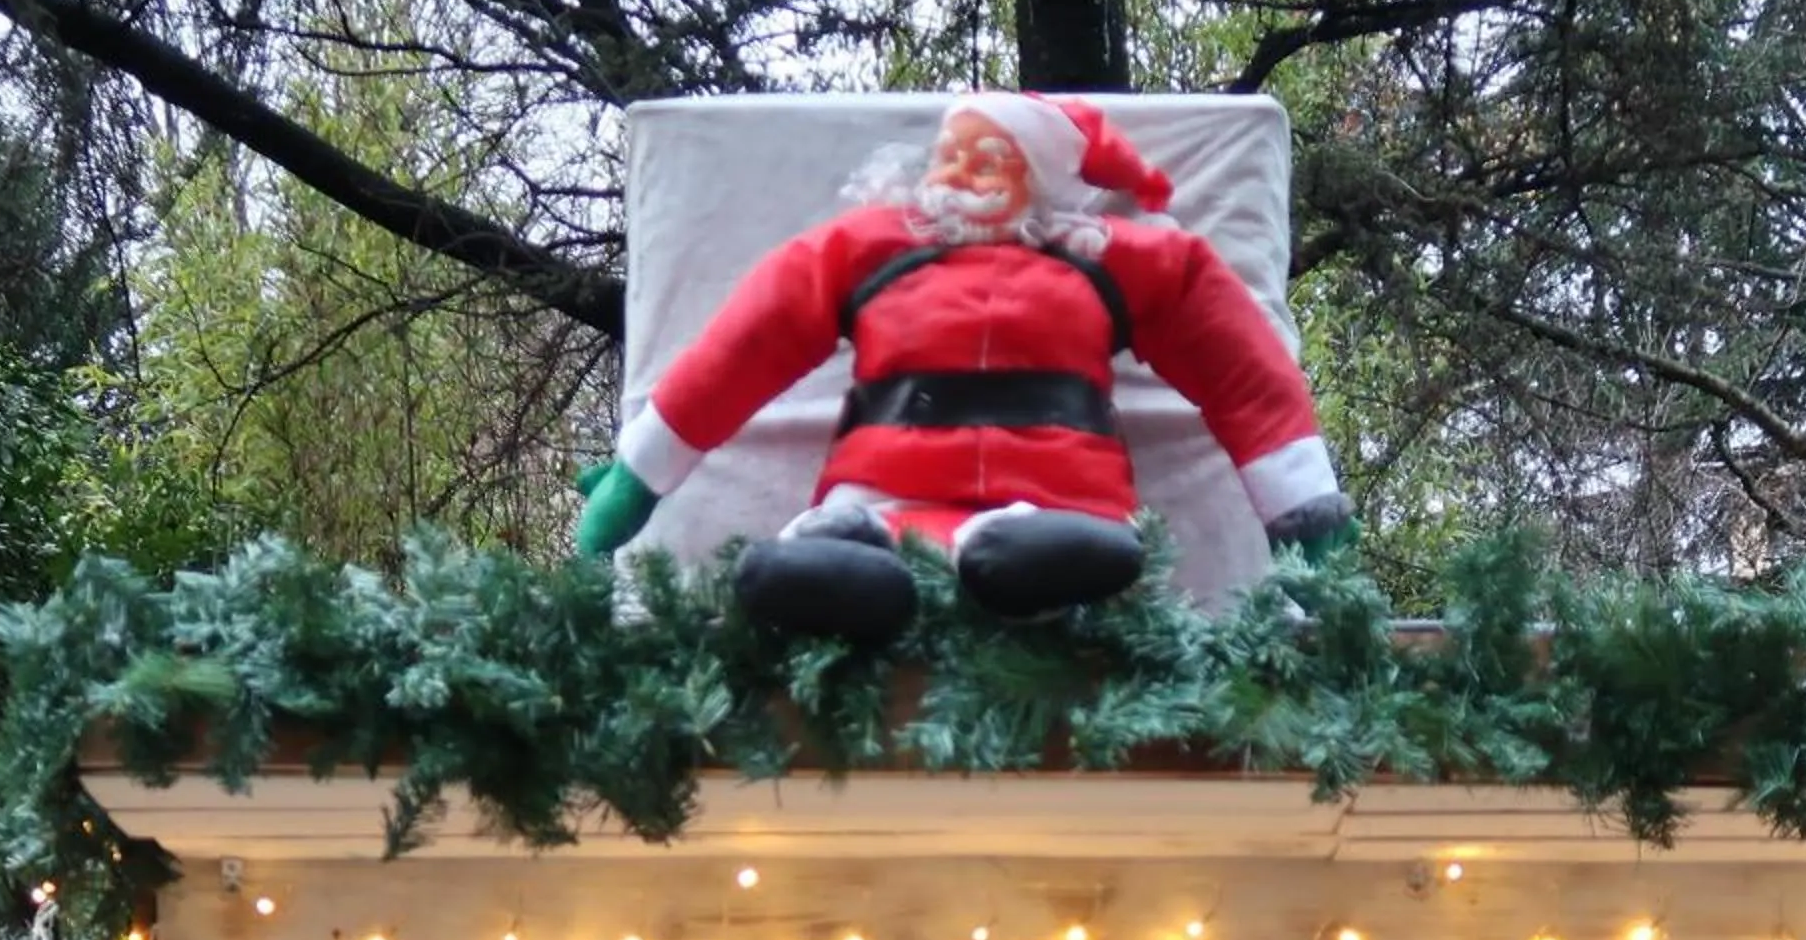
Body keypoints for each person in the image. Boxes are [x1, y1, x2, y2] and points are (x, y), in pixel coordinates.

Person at [575, 93, 1353, 642]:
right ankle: (853, 579)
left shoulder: (1118, 263)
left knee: (1045, 549)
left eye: (989, 161)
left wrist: (1304, 512)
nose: (959, 175)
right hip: (882, 494)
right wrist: (637, 476)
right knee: (843, 544)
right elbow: (740, 349)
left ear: (1038, 184)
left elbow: (1241, 366)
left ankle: (1039, 569)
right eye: (948, 157)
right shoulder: (863, 250)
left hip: (1053, 499)